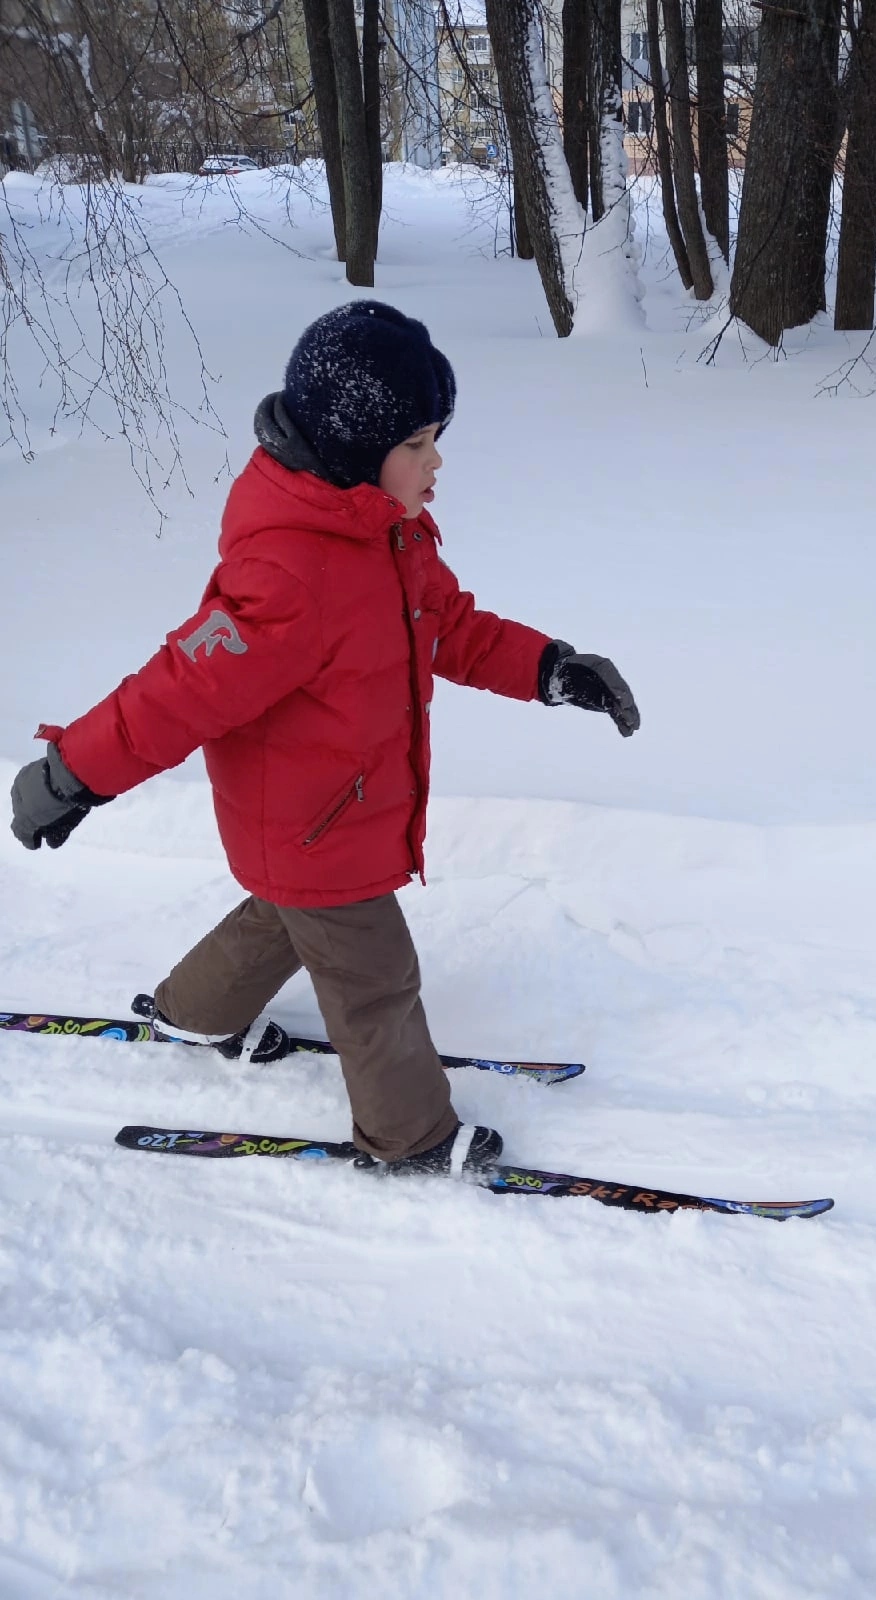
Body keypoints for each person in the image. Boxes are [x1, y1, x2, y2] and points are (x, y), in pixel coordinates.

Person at [10, 301, 639, 1178]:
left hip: (315, 821)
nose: (437, 460)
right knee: (375, 980)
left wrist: (551, 667)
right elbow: (174, 693)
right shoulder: (290, 575)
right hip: (315, 824)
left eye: (436, 437)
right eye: (418, 442)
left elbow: (448, 627)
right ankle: (408, 1135)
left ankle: (193, 1015)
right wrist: (71, 772)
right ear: (354, 449)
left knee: (280, 915)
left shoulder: (384, 535)